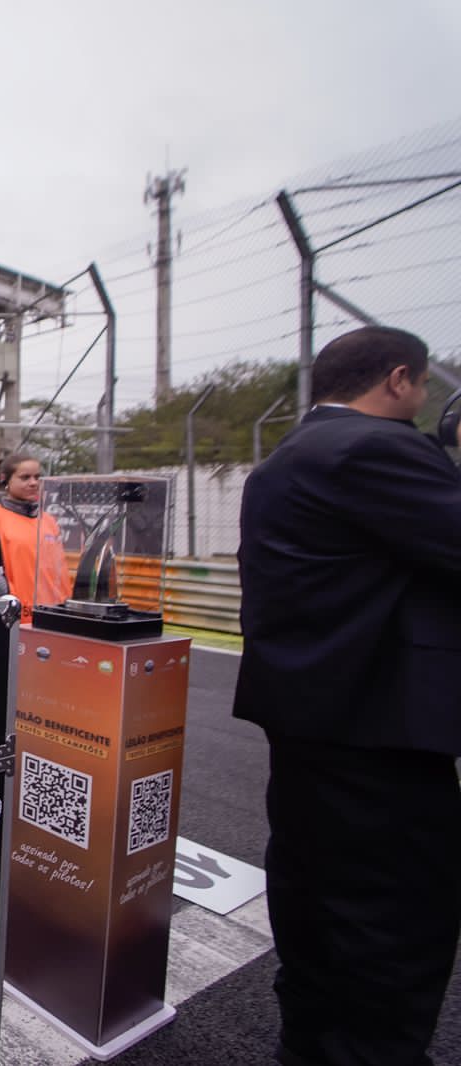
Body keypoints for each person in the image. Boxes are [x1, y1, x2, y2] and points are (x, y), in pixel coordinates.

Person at [232, 326, 461, 1066]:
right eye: (424, 388)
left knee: (314, 903)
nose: (426, 407)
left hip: (310, 721)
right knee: (394, 924)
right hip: (377, 730)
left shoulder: (286, 460)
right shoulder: (375, 449)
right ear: (398, 379)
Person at [0, 453, 67, 621]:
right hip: (13, 616)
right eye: (25, 478)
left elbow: (58, 569)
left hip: (52, 613)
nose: (33, 483)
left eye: (37, 477)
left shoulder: (48, 520)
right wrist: (13, 600)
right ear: (5, 479)